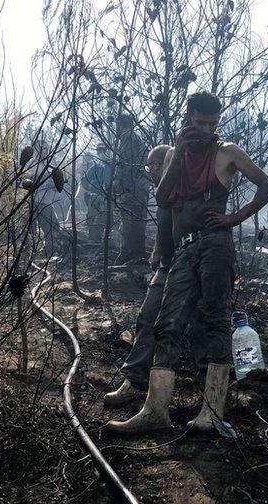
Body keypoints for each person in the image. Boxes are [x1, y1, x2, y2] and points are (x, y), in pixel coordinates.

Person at [106, 91, 268, 435]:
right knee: (166, 324)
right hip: (183, 249)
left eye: (212, 124)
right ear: (188, 119)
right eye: (199, 123)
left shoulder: (228, 152)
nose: (206, 130)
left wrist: (234, 218)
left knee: (215, 323)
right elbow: (162, 196)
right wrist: (180, 151)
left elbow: (267, 186)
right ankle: (155, 410)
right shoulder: (173, 153)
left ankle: (211, 412)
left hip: (215, 246)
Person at [103, 144, 174, 406]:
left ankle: (210, 400)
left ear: (159, 165)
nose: (150, 172)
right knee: (147, 318)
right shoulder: (164, 189)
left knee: (187, 328)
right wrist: (157, 248)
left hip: (187, 266)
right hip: (168, 265)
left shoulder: (181, 185)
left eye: (151, 166)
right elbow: (165, 225)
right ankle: (134, 381)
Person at [114, 115, 151, 265]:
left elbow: (126, 165)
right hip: (137, 188)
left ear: (120, 126)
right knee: (133, 222)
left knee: (130, 223)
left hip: (133, 189)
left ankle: (132, 256)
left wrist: (119, 183)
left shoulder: (129, 139)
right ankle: (134, 255)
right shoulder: (133, 138)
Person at [82, 142, 112, 245]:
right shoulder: (96, 167)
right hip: (94, 196)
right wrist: (90, 188)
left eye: (103, 150)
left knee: (105, 219)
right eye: (99, 151)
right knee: (91, 218)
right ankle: (94, 241)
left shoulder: (114, 165)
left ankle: (106, 241)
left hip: (109, 198)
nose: (101, 153)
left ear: (108, 151)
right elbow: (84, 180)